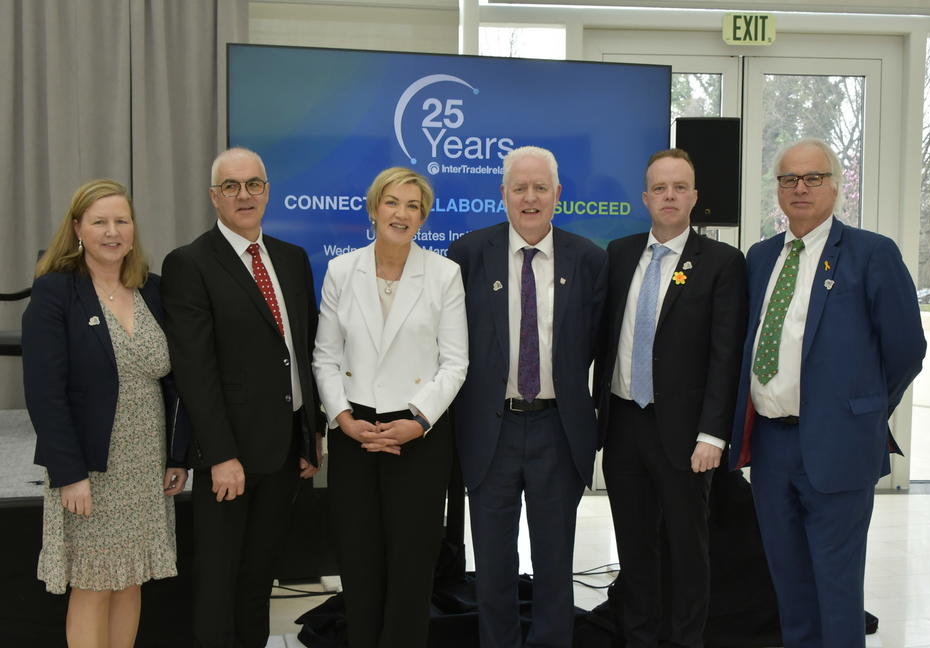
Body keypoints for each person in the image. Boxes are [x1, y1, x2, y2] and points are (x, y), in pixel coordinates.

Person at [728, 138, 926, 648]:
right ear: (777, 189)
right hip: (771, 447)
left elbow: (906, 349)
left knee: (836, 588)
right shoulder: (761, 256)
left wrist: (862, 410)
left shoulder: (871, 253)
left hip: (839, 445)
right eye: (789, 179)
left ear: (835, 185)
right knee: (788, 584)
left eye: (812, 177)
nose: (800, 188)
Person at [161, 147, 323, 648]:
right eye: (231, 186)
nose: (244, 195)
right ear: (214, 197)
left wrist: (309, 437)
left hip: (283, 453)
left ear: (267, 190)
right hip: (229, 457)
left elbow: (302, 352)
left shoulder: (292, 260)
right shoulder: (189, 263)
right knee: (219, 583)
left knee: (259, 579)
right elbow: (195, 370)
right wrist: (220, 455)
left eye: (254, 184)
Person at [448, 145, 607, 648]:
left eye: (541, 188)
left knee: (555, 562)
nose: (530, 198)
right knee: (493, 565)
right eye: (519, 187)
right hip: (490, 429)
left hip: (556, 429)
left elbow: (603, 348)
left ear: (558, 194)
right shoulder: (468, 255)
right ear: (503, 194)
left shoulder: (589, 259)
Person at [22, 179, 189, 647]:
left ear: (134, 229)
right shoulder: (56, 292)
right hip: (90, 467)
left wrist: (177, 456)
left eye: (121, 221)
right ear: (78, 229)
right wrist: (69, 472)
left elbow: (175, 383)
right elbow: (44, 393)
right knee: (94, 584)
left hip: (145, 466)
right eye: (99, 222)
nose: (112, 232)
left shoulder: (153, 291)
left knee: (130, 578)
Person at [594, 148, 747, 648]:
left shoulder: (721, 262)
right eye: (660, 188)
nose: (669, 196)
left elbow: (726, 356)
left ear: (695, 197)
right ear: (645, 197)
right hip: (623, 426)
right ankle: (638, 637)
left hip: (686, 435)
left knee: (687, 550)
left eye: (680, 187)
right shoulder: (618, 254)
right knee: (635, 549)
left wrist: (713, 434)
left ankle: (686, 640)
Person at [312, 167, 468, 647]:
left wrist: (416, 422)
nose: (401, 213)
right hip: (354, 429)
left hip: (417, 435)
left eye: (413, 206)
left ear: (423, 216)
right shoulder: (342, 270)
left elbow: (455, 363)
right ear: (374, 208)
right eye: (393, 203)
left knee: (411, 562)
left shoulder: (444, 274)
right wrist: (343, 420)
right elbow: (325, 356)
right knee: (358, 559)